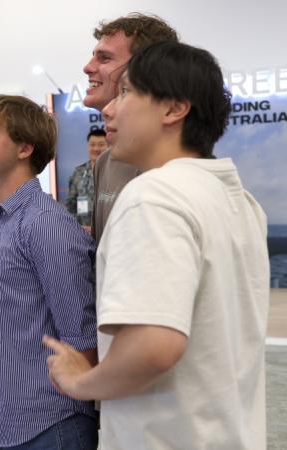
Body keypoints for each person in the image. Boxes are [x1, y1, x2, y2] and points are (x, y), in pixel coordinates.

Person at [44, 41, 269, 450]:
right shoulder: (238, 199)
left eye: (126, 92)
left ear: (173, 109)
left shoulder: (155, 195)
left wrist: (81, 381)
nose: (109, 109)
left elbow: (153, 347)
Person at [0, 95, 97, 449]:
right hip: (7, 420)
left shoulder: (44, 224)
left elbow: (81, 340)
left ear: (25, 148)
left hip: (52, 423)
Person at [83, 13, 178, 244]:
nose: (87, 67)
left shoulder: (175, 170)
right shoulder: (105, 163)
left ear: (146, 69)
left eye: (104, 58)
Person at [65, 129, 107, 233]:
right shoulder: (78, 172)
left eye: (101, 145)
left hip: (108, 232)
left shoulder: (115, 172)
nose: (96, 149)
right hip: (82, 233)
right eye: (92, 145)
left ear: (108, 146)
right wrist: (76, 227)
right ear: (88, 147)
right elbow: (71, 204)